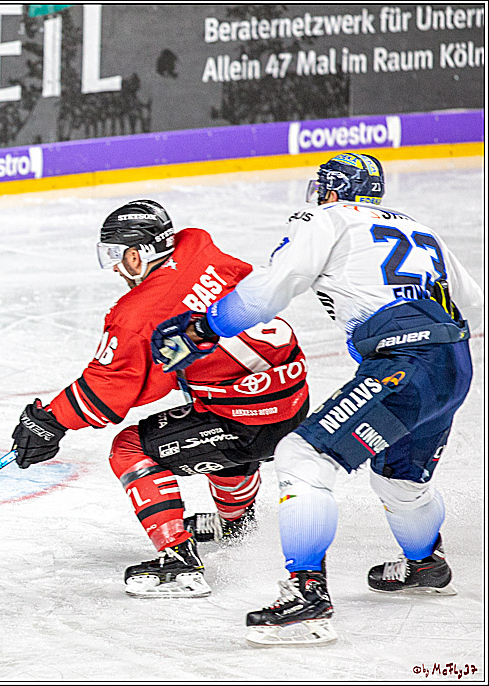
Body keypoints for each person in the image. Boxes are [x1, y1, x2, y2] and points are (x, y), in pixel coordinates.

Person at [151, 152, 482, 645]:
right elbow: (473, 303)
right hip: (452, 363)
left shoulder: (328, 218)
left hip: (405, 362)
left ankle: (307, 599)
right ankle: (424, 564)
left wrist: (205, 327)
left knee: (303, 457)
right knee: (399, 480)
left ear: (331, 190)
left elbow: (270, 289)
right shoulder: (419, 228)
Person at [10, 200, 311, 598]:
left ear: (138, 254)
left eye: (119, 256)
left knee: (130, 448)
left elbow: (106, 394)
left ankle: (179, 562)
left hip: (251, 421)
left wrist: (50, 421)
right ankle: (236, 523)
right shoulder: (198, 246)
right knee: (207, 423)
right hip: (292, 398)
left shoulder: (138, 314)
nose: (116, 268)